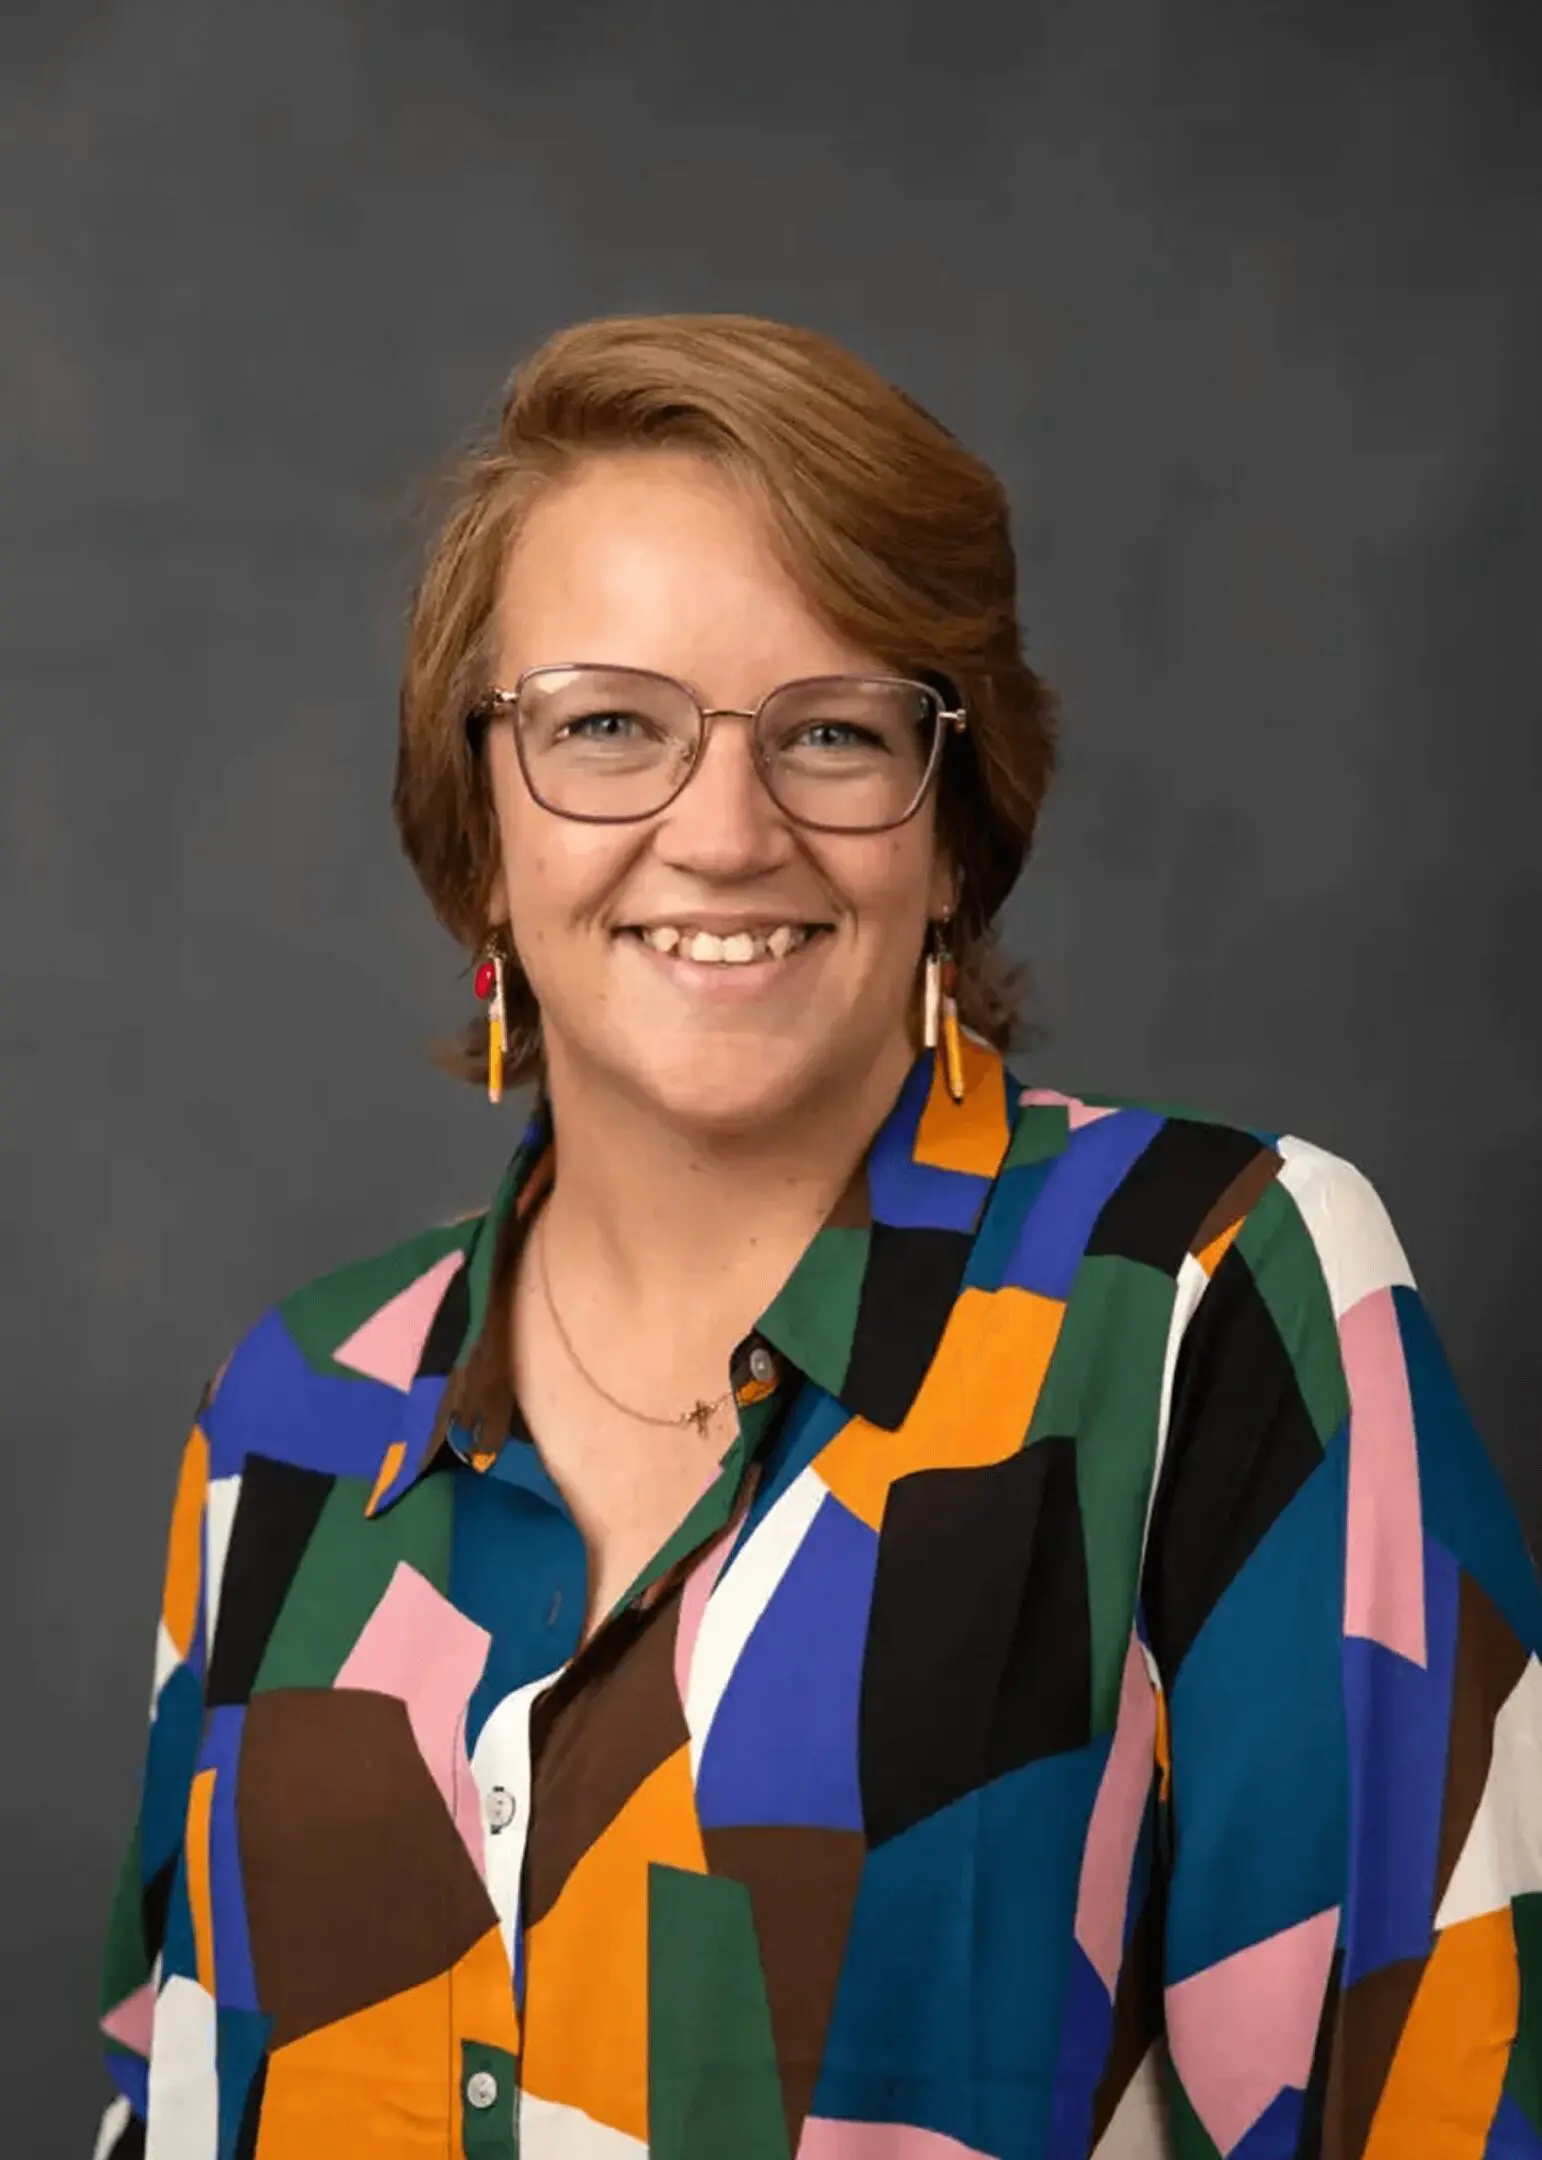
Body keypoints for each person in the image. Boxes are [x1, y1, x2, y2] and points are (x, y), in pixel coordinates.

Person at [94, 313, 1542, 2160]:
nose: (721, 830)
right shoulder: (291, 1412)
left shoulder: (1203, 1306)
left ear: (951, 836)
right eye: (607, 725)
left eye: (833, 732)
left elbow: (1430, 2104)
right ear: (479, 836)